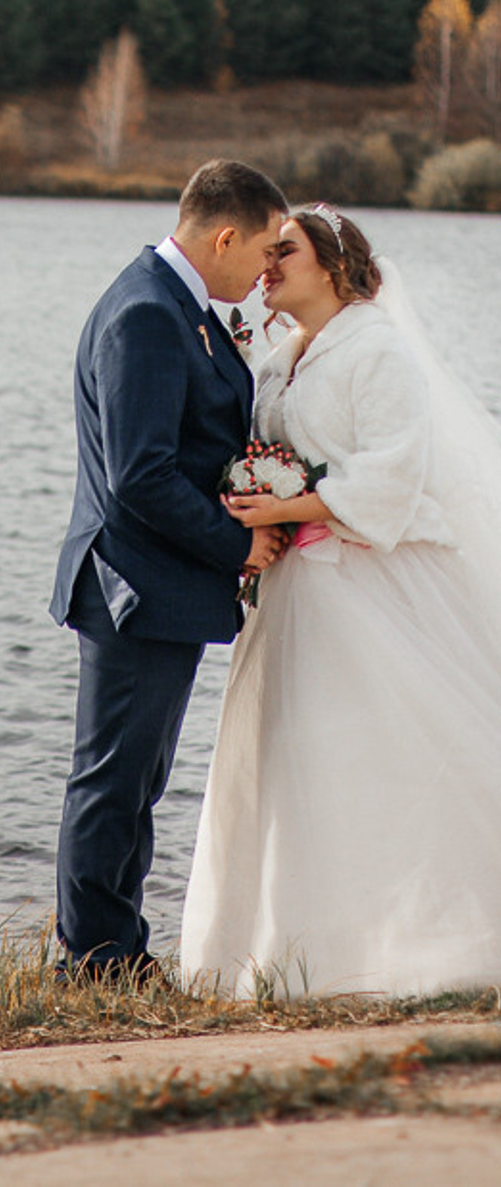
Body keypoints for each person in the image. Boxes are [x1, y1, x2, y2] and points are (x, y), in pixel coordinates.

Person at [181, 205, 501, 996]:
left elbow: (394, 471)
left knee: (377, 757)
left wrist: (286, 507)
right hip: (290, 587)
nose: (267, 261)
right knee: (292, 762)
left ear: (330, 264)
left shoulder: (378, 347)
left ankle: (424, 945)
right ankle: (289, 952)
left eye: (283, 249)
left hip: (364, 581)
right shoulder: (281, 356)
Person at [49, 159, 289, 982]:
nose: (265, 272)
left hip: (159, 588)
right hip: (133, 588)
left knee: (137, 778)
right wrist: (239, 544)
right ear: (223, 235)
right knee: (113, 779)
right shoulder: (148, 314)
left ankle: (115, 948)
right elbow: (139, 474)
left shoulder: (181, 307)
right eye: (261, 251)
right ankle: (93, 959)